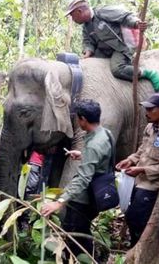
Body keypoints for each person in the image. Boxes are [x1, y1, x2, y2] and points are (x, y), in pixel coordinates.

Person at [41, 99, 113, 257]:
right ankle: (92, 256)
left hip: (85, 198)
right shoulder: (104, 133)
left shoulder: (94, 144)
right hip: (98, 191)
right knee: (82, 229)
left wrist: (59, 203)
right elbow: (103, 158)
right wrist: (83, 155)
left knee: (73, 234)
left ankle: (84, 259)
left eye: (77, 119)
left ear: (83, 120)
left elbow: (83, 179)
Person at [66, 0, 159, 92]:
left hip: (120, 47)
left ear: (79, 11)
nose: (73, 19)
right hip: (103, 51)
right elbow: (88, 41)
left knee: (117, 69)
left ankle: (146, 73)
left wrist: (136, 23)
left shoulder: (102, 12)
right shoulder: (86, 26)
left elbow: (125, 17)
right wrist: (88, 52)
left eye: (72, 15)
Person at [115, 92, 159, 246]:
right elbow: (143, 149)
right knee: (131, 216)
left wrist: (141, 169)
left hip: (153, 185)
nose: (146, 113)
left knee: (137, 217)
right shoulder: (150, 127)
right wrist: (130, 160)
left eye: (150, 109)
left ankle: (142, 248)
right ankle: (136, 247)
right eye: (146, 109)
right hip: (139, 181)